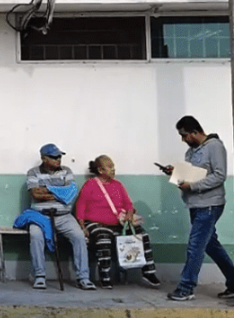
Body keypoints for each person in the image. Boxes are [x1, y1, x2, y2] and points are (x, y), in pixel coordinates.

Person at [162, 116, 234, 302]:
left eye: (184, 135)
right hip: (196, 204)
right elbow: (193, 174)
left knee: (196, 246)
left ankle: (186, 287)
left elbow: (219, 176)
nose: (183, 139)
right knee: (211, 245)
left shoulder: (215, 147)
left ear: (195, 132)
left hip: (209, 204)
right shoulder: (191, 151)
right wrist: (176, 172)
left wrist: (192, 187)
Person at [75, 155, 162, 289]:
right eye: (109, 167)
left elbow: (128, 204)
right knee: (103, 239)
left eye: (113, 167)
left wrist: (129, 213)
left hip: (118, 223)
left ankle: (148, 272)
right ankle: (104, 276)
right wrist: (82, 226)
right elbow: (81, 205)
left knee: (142, 236)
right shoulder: (90, 184)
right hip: (96, 223)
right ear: (100, 170)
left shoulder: (118, 185)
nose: (113, 170)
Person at [19, 143, 96, 290]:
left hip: (64, 216)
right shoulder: (33, 172)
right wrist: (59, 193)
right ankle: (40, 276)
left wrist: (46, 190)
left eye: (59, 157)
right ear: (44, 158)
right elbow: (35, 194)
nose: (58, 160)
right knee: (35, 236)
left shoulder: (66, 171)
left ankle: (83, 278)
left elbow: (71, 193)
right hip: (40, 215)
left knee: (79, 236)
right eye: (54, 157)